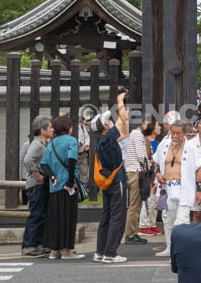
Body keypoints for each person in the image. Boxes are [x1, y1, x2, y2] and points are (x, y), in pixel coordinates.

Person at [154, 120, 201, 257]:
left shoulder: (191, 147)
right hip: (168, 188)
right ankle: (169, 247)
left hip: (184, 188)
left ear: (184, 133)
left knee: (181, 222)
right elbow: (156, 162)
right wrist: (157, 174)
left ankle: (181, 251)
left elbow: (198, 169)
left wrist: (199, 190)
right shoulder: (164, 144)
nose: (175, 136)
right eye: (173, 133)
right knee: (168, 220)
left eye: (178, 133)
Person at [91, 93, 130, 263]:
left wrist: (124, 114)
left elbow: (124, 132)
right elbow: (123, 118)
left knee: (106, 217)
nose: (110, 121)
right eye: (107, 120)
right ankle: (110, 253)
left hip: (108, 183)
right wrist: (120, 101)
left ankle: (100, 251)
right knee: (117, 217)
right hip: (116, 181)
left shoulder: (102, 141)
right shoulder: (107, 138)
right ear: (105, 125)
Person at [40, 115, 83, 259]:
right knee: (68, 217)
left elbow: (44, 164)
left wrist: (52, 176)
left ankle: (54, 250)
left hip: (54, 186)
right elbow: (71, 160)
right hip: (67, 186)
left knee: (55, 218)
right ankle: (67, 250)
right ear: (67, 127)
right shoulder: (71, 141)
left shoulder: (51, 143)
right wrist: (70, 182)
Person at [21, 116, 53, 256]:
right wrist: (37, 175)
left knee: (42, 215)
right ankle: (28, 246)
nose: (52, 129)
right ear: (42, 130)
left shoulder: (43, 144)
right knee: (36, 214)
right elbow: (27, 160)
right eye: (50, 127)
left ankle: (38, 244)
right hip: (36, 185)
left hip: (41, 184)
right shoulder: (37, 144)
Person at [124, 118, 155, 244]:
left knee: (136, 204)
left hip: (134, 171)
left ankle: (133, 232)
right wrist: (149, 164)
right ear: (141, 123)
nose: (147, 124)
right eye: (146, 122)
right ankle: (130, 234)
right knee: (135, 204)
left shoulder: (134, 134)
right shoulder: (137, 135)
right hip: (136, 172)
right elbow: (141, 155)